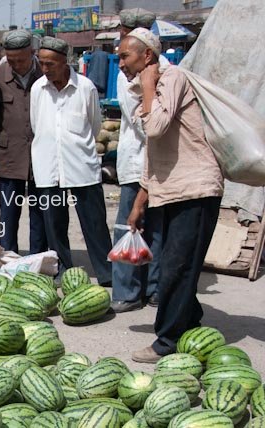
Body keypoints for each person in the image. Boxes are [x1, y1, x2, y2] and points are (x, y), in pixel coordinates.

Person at [119, 29, 223, 363]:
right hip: (171, 190)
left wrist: (149, 85)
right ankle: (190, 324)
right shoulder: (149, 88)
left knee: (177, 265)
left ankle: (167, 340)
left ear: (146, 56)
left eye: (125, 56)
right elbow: (156, 151)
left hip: (195, 188)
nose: (119, 63)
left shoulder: (173, 77)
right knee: (178, 263)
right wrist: (139, 202)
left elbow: (156, 127)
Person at [30, 37, 112, 286]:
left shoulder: (85, 88)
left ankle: (107, 273)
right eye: (41, 63)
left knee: (94, 224)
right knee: (54, 225)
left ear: (65, 61)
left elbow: (95, 124)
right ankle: (63, 271)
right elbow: (37, 126)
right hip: (48, 166)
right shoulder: (37, 89)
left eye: (50, 64)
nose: (45, 69)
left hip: (81, 166)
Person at [111, 8, 168, 313]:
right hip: (149, 161)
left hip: (144, 161)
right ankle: (153, 288)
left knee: (131, 225)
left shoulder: (133, 69)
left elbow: (144, 123)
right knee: (152, 226)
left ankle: (130, 291)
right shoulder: (141, 64)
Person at [0, 29, 46, 254]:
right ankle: (8, 256)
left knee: (40, 212)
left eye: (21, 60)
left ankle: (38, 257)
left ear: (32, 53)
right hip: (10, 154)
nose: (16, 65)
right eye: (11, 60)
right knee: (8, 212)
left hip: (41, 155)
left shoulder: (45, 73)